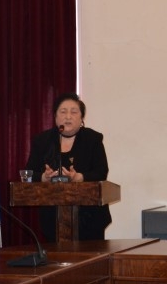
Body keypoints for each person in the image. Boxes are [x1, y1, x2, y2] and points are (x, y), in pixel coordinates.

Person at [24, 92, 111, 241]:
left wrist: (79, 177)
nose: (68, 116)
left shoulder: (93, 139)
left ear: (82, 118)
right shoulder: (42, 141)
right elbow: (29, 173)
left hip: (90, 217)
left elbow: (101, 172)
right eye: (63, 112)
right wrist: (44, 177)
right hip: (53, 218)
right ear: (55, 116)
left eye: (74, 112)